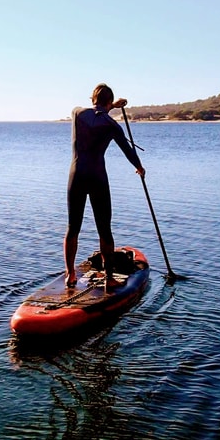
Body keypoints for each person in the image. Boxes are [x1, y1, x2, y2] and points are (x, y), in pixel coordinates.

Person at [65, 83, 146, 289]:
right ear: (109, 102)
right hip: (97, 177)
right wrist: (139, 167)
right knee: (104, 229)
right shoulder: (112, 125)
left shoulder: (76, 113)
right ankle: (109, 277)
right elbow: (128, 151)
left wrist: (109, 105)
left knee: (73, 228)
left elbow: (95, 112)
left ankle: (71, 275)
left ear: (92, 99)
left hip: (76, 176)